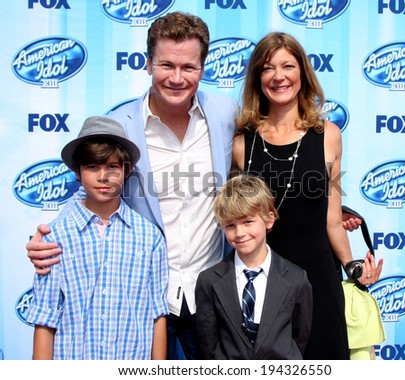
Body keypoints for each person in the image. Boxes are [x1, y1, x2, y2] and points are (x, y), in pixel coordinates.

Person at [25, 12, 237, 360]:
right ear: (148, 63)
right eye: (166, 65)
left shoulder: (225, 113)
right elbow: (93, 187)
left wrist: (333, 207)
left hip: (211, 291)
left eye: (189, 67)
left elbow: (255, 171)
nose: (177, 78)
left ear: (203, 67)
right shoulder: (121, 122)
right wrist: (51, 240)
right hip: (141, 300)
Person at [231, 32, 383, 360]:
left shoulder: (328, 135)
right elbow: (235, 217)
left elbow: (331, 219)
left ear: (302, 73)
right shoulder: (243, 144)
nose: (279, 76)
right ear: (258, 77)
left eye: (288, 65)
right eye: (268, 68)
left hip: (319, 278)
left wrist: (351, 265)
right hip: (262, 281)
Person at [27, 116, 169, 359]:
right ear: (77, 172)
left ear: (127, 170)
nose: (103, 177)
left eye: (112, 167)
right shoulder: (56, 236)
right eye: (92, 167)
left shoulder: (149, 237)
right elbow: (45, 315)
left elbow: (157, 313)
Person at [195, 175, 313, 359]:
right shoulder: (209, 281)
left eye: (247, 222)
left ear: (269, 219)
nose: (239, 233)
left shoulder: (296, 278)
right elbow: (207, 342)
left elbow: (300, 337)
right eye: (230, 225)